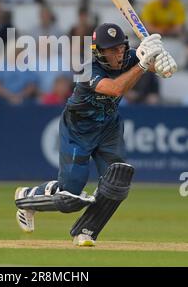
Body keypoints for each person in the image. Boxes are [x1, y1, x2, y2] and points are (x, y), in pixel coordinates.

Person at [15, 23, 177, 246]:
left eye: (120, 48)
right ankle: (27, 198)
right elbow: (115, 89)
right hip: (77, 130)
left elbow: (160, 68)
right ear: (98, 51)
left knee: (117, 181)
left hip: (108, 129)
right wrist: (142, 63)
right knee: (69, 197)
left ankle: (86, 231)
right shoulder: (86, 69)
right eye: (111, 50)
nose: (118, 54)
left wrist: (160, 58)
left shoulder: (128, 57)